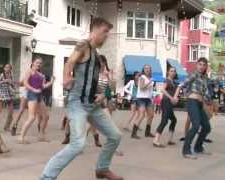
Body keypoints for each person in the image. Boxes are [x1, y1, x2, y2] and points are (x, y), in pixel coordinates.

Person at [41, 17, 122, 180]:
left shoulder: (96, 55)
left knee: (115, 136)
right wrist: (66, 77)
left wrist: (100, 94)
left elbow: (94, 79)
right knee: (78, 144)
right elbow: (70, 62)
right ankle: (47, 177)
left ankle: (102, 168)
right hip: (77, 103)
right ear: (94, 31)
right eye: (105, 32)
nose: (107, 36)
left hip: (92, 104)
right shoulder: (83, 45)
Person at [180, 57, 212, 159]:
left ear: (206, 66)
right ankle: (186, 150)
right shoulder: (193, 74)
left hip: (199, 104)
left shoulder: (204, 78)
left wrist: (208, 101)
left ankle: (198, 147)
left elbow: (206, 94)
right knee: (195, 125)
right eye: (200, 64)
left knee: (207, 127)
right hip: (192, 102)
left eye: (204, 65)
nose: (202, 67)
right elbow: (183, 84)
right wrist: (176, 96)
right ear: (196, 65)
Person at [17, 57, 54, 144]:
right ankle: (21, 137)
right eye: (37, 62)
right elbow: (25, 83)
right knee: (32, 117)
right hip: (32, 95)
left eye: (40, 63)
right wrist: (33, 89)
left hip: (39, 96)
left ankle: (41, 135)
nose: (39, 64)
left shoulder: (41, 75)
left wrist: (51, 81)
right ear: (33, 63)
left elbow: (43, 86)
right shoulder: (29, 71)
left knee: (46, 116)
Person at [153, 67, 180, 147]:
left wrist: (175, 98)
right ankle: (156, 140)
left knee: (174, 120)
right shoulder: (167, 80)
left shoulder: (174, 82)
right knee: (164, 121)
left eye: (174, 71)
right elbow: (163, 90)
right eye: (171, 71)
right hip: (165, 102)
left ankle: (170, 140)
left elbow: (176, 91)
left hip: (169, 103)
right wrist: (171, 98)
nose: (173, 72)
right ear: (168, 72)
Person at [131, 64, 155, 139]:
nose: (147, 69)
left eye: (149, 68)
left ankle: (147, 132)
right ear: (143, 70)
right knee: (142, 114)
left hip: (148, 99)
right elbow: (141, 88)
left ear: (151, 70)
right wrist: (149, 82)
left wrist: (152, 97)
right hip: (141, 98)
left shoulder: (151, 78)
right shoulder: (142, 77)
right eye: (145, 68)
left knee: (151, 115)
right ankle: (133, 133)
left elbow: (150, 89)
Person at [0, 64, 16, 131]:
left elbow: (13, 85)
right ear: (4, 68)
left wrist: (13, 86)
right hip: (1, 94)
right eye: (6, 67)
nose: (7, 68)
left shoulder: (11, 76)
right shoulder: (1, 75)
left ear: (11, 69)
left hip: (9, 94)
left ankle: (7, 127)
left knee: (11, 112)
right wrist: (4, 81)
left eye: (9, 67)